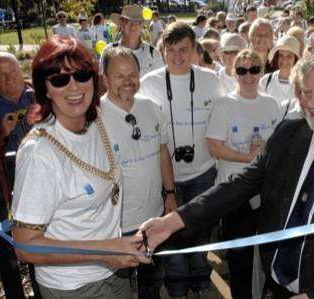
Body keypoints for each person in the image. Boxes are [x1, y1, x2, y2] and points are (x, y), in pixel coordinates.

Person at [140, 48, 314, 298]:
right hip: (277, 289)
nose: (311, 103)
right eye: (305, 93)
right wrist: (173, 222)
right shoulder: (287, 134)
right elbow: (239, 185)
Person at [11, 35, 145, 299]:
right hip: (73, 286)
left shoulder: (97, 122)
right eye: (60, 79)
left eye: (82, 75)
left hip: (113, 271)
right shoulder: (40, 153)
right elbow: (25, 245)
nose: (74, 87)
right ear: (45, 89)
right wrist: (106, 251)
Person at [139, 22, 225, 299]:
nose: (177, 57)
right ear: (163, 50)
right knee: (170, 234)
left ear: (195, 50)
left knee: (199, 232)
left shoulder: (211, 80)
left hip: (203, 172)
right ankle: (176, 287)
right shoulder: (149, 83)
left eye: (184, 50)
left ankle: (200, 281)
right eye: (171, 50)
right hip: (167, 176)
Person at [100, 46, 176, 299]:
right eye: (119, 76)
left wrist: (170, 193)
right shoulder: (94, 118)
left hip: (152, 218)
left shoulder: (151, 107)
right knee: (117, 285)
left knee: (151, 281)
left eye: (132, 74)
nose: (128, 81)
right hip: (114, 225)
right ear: (105, 78)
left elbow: (163, 152)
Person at [207, 49, 279, 299]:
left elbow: (279, 145)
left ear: (261, 72)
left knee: (268, 254)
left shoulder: (271, 104)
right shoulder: (224, 104)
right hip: (235, 193)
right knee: (239, 258)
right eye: (242, 70)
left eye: (254, 69)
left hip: (265, 193)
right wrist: (249, 158)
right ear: (234, 73)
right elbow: (213, 147)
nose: (248, 76)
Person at [0, 52, 39, 202]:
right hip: (13, 178)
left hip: (48, 166)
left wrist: (45, 114)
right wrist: (1, 133)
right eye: (1, 74)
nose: (10, 78)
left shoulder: (42, 91)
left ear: (21, 69)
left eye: (13, 70)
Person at [101, 5, 164, 77]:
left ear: (142, 25)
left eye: (138, 22)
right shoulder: (108, 51)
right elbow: (102, 83)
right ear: (121, 24)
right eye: (128, 21)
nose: (133, 26)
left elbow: (160, 83)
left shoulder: (153, 53)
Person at [260, 35, 301, 120]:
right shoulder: (265, 81)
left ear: (295, 59)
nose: (284, 60)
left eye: (289, 56)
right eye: (281, 55)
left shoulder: (301, 83)